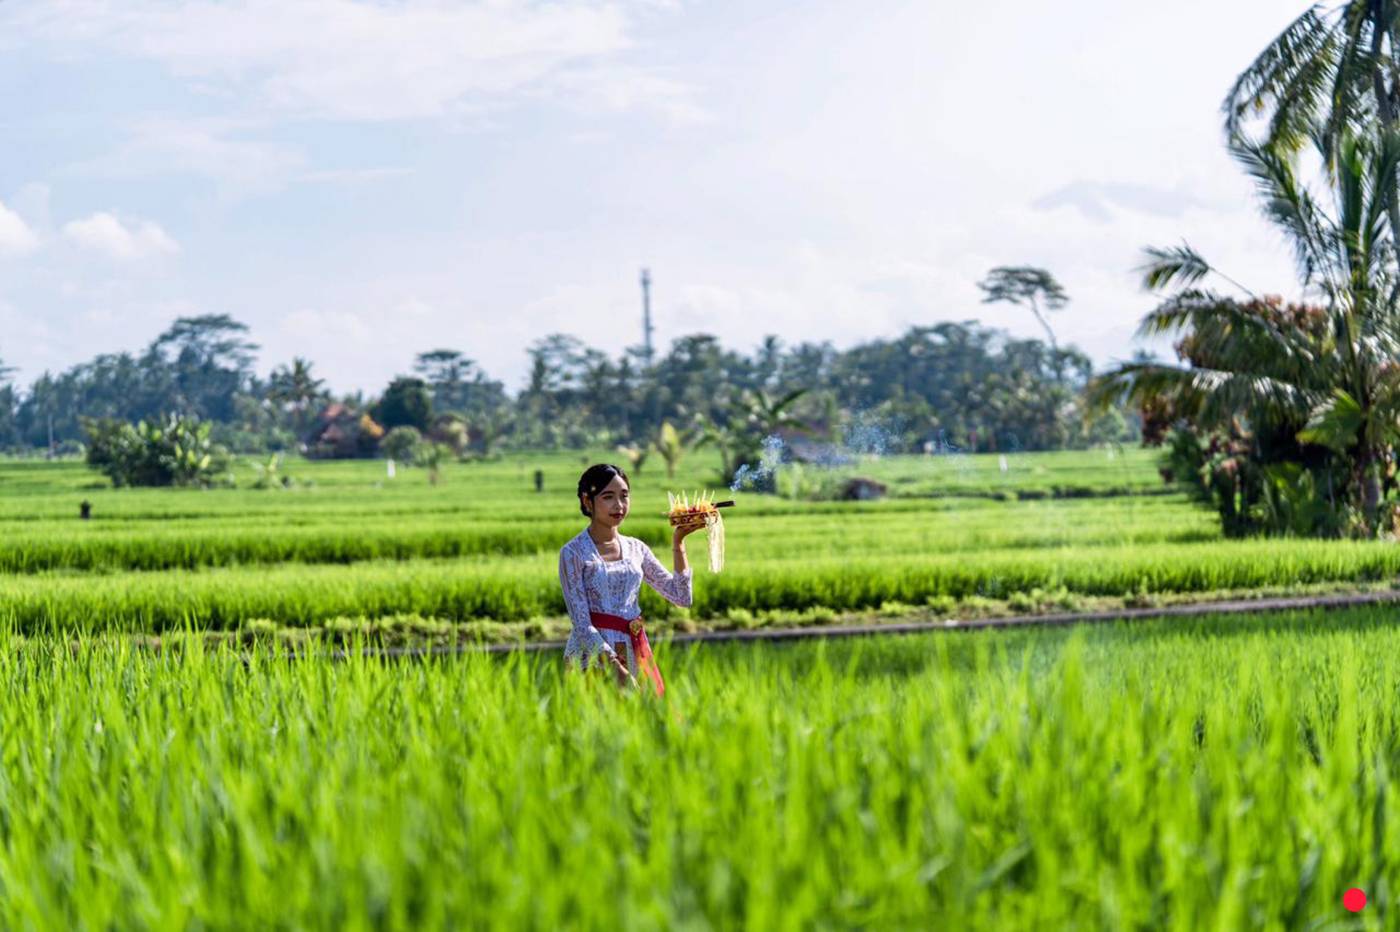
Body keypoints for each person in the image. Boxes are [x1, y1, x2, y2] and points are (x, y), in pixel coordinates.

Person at [558, 463, 704, 693]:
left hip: (634, 649)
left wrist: (679, 542)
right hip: (592, 656)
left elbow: (681, 596)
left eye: (624, 496)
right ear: (588, 501)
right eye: (608, 497)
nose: (619, 505)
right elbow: (581, 623)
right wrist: (616, 668)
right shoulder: (573, 553)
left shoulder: (637, 548)